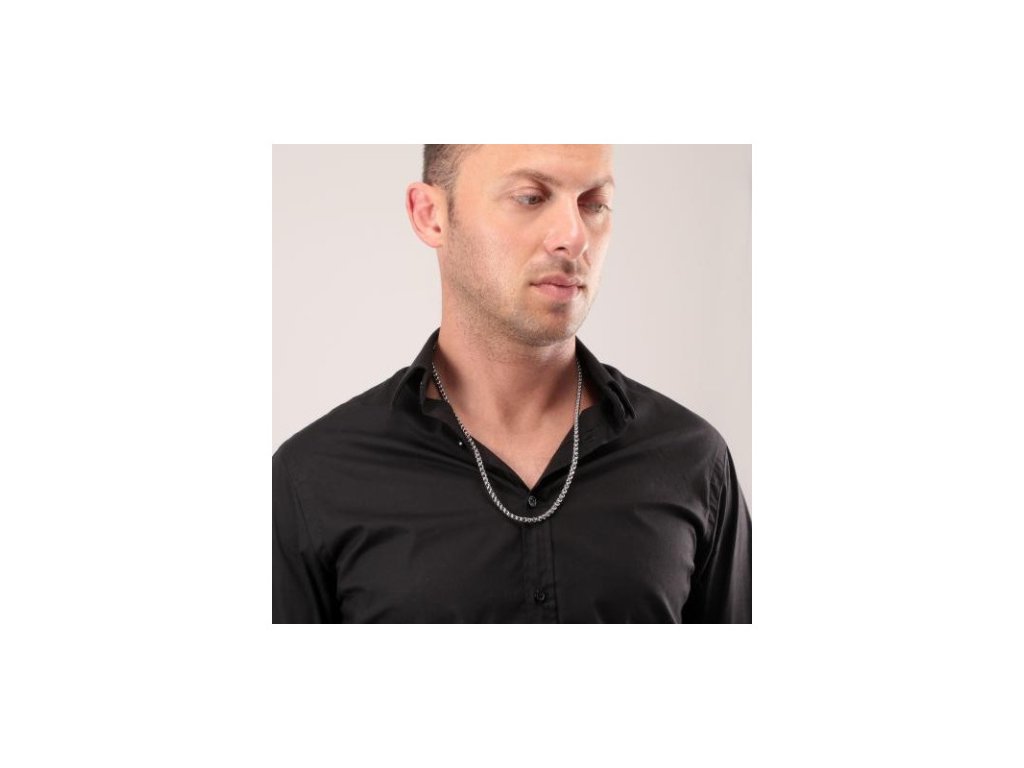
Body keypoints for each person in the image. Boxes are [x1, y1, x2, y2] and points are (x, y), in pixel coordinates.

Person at [273, 144, 751, 623]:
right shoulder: (312, 479)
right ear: (430, 215)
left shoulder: (693, 460)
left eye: (593, 203)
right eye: (530, 197)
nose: (574, 237)